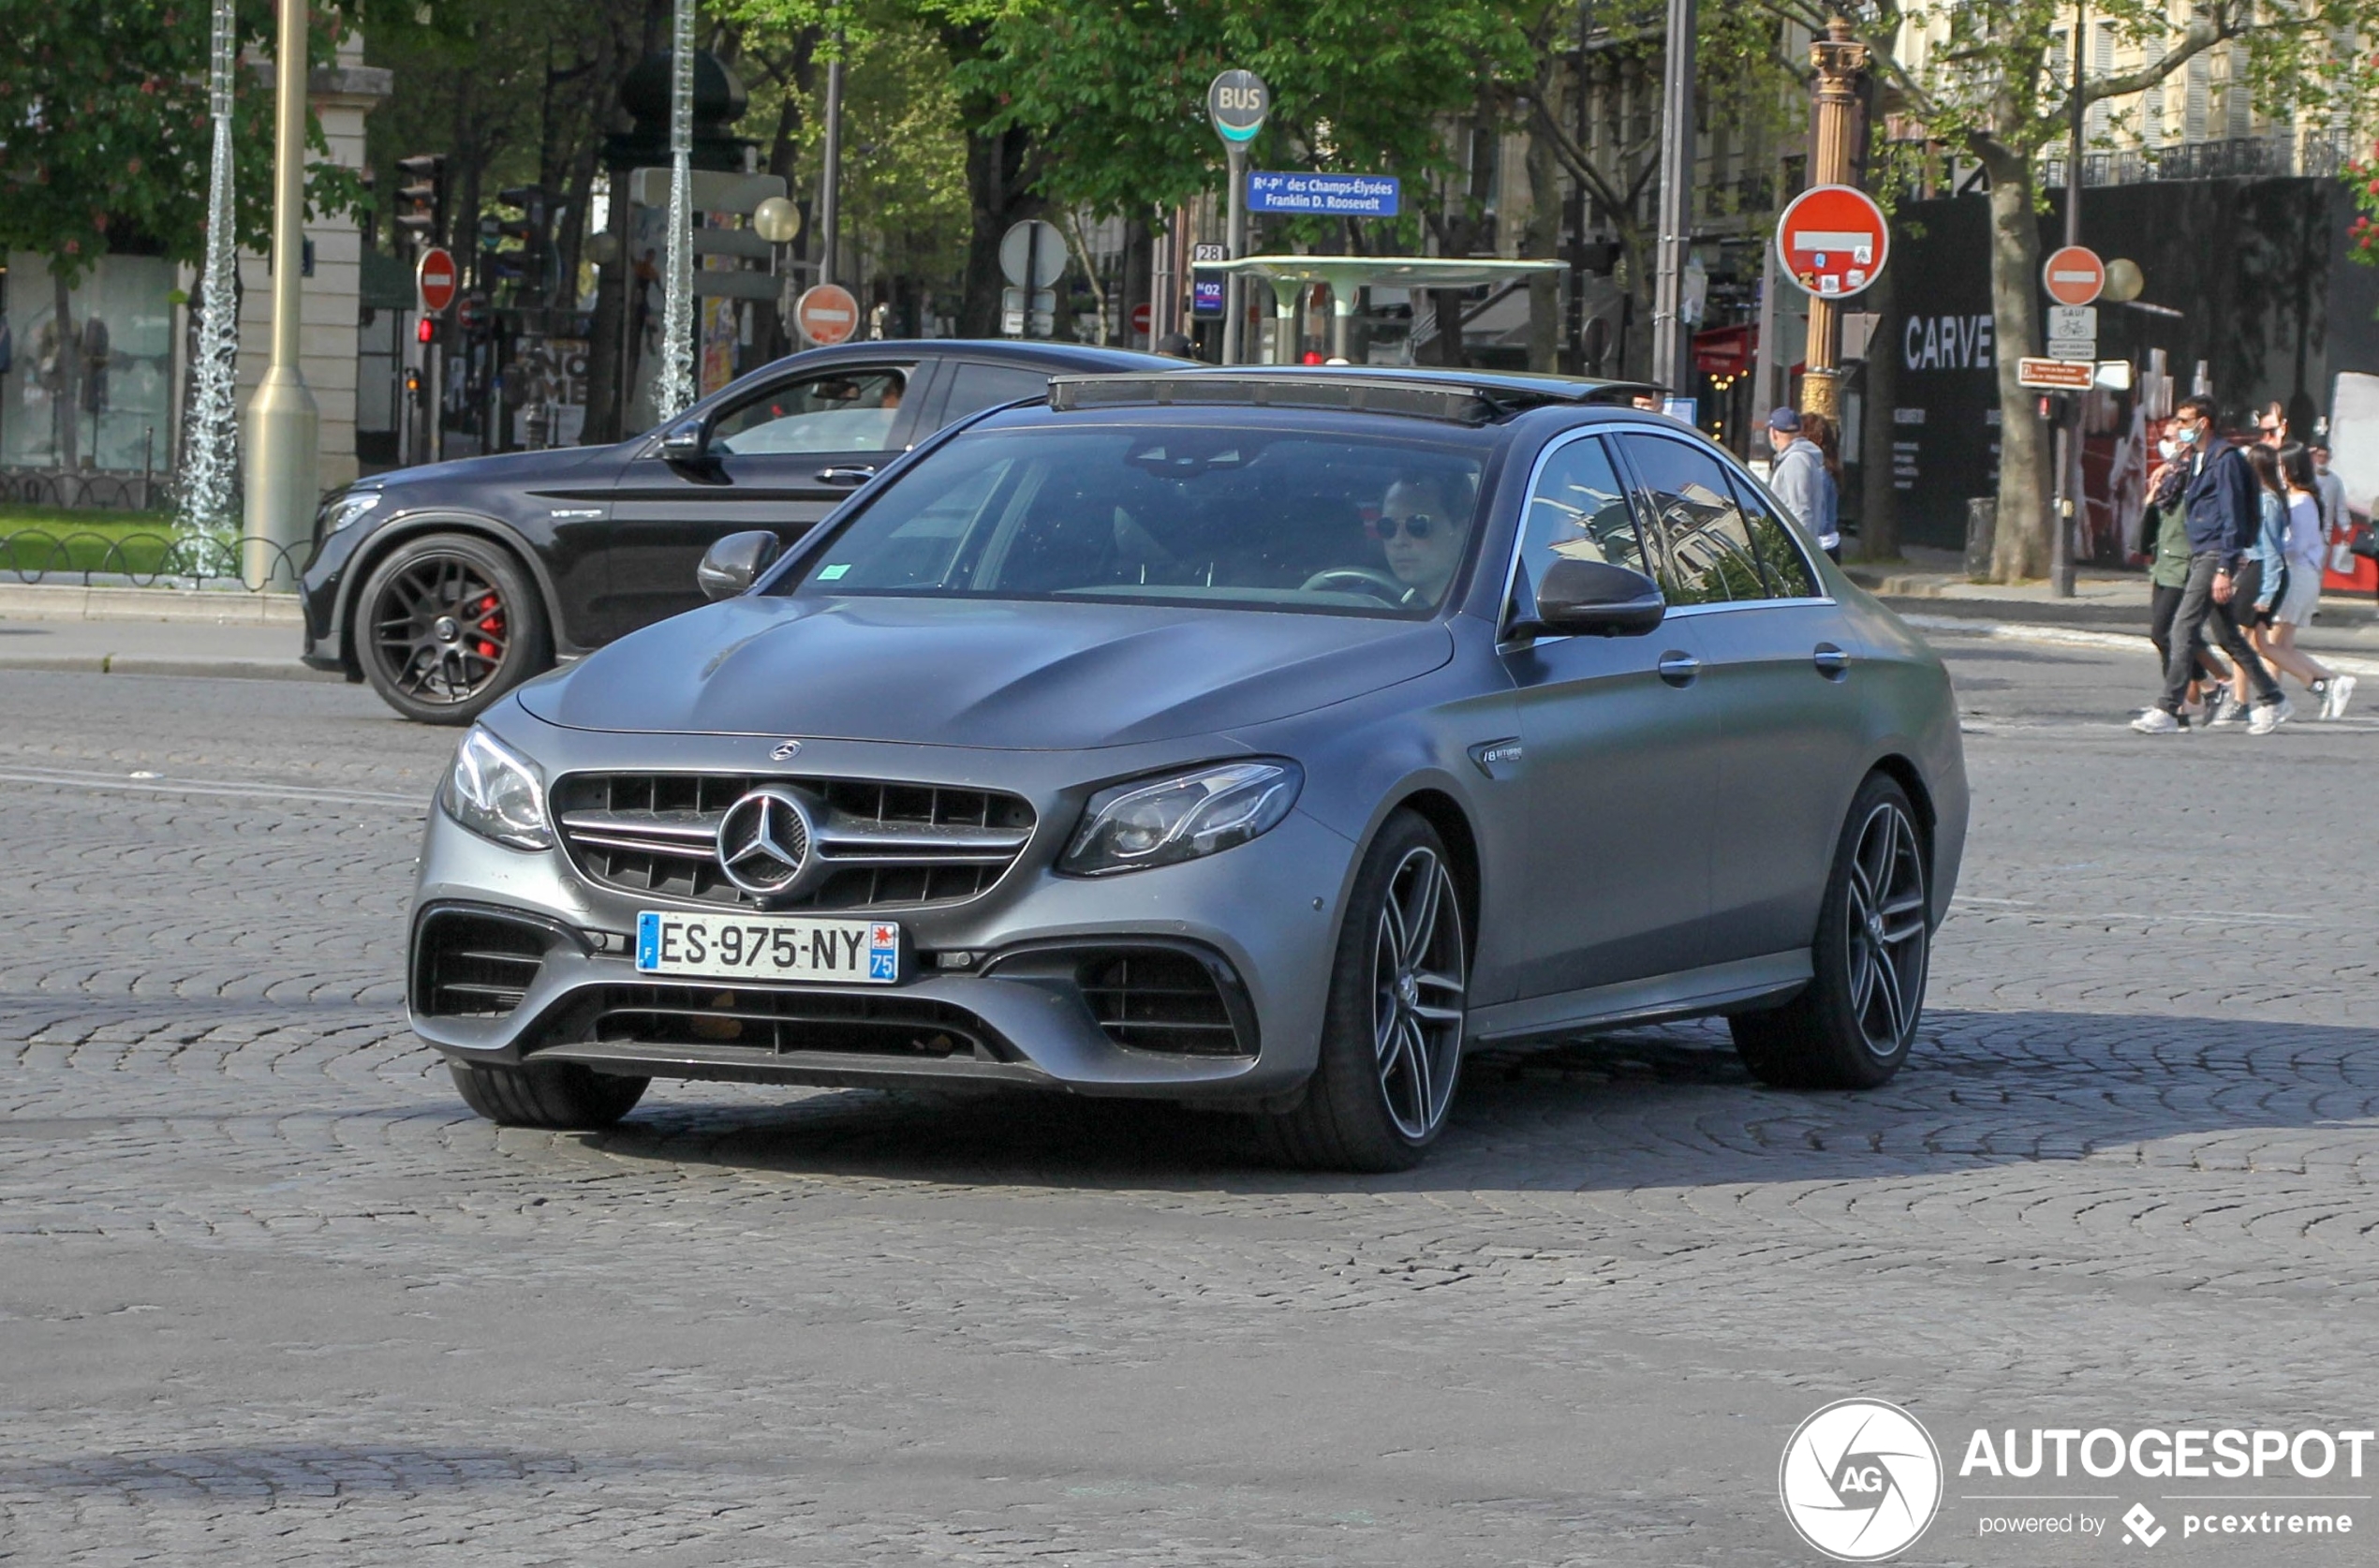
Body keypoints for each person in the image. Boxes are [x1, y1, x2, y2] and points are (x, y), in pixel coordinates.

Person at [2133, 395, 2288, 734]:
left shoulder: (2224, 459)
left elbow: (2232, 516)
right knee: (2227, 635)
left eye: (2185, 421)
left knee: (2182, 629)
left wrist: (2224, 568)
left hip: (2214, 554)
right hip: (2201, 553)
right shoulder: (2201, 458)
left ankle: (2169, 709)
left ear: (2204, 423)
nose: (2179, 426)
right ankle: (2275, 698)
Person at [2263, 442, 2356, 718]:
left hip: (2295, 575)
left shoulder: (2301, 500)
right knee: (2281, 646)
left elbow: (2297, 545)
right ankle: (2329, 681)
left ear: (2291, 469)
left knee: (2270, 645)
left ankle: (2290, 695)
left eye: (2281, 466)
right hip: (2298, 575)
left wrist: (2271, 545)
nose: (2277, 472)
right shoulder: (2298, 498)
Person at [2143, 435, 2228, 721]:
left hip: (2185, 565)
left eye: (2175, 437)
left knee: (2168, 633)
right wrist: (2154, 492)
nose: (2170, 443)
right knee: (2170, 636)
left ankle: (2200, 689)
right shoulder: (2169, 481)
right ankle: (2192, 696)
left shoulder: (2196, 479)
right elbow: (2154, 522)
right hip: (2163, 564)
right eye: (2168, 437)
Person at [1373, 475, 1466, 605]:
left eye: (1418, 525)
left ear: (1462, 531)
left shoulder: (1494, 611)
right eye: (1387, 527)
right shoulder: (1369, 604)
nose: (1399, 541)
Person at [1766, 407, 1833, 556]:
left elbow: (1802, 512)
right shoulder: (1800, 458)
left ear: (1774, 433)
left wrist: (1798, 555)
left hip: (1792, 550)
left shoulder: (1796, 461)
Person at [1799, 408, 1845, 560]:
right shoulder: (1828, 469)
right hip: (1828, 544)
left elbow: (1821, 518)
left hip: (1821, 546)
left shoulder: (1819, 472)